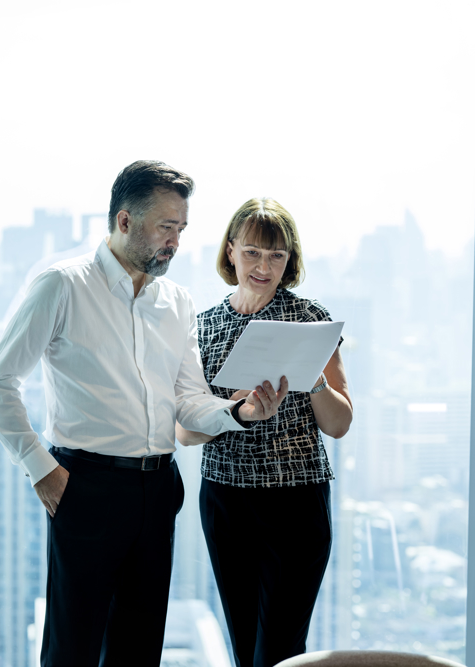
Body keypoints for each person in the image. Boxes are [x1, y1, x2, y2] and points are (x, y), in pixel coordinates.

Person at [0, 161, 289, 666]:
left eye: (182, 229)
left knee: (139, 652)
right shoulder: (63, 286)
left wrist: (241, 411)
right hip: (85, 487)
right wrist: (42, 470)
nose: (176, 241)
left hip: (158, 489)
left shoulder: (176, 301)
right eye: (167, 227)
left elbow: (188, 400)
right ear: (125, 221)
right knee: (72, 650)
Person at [176, 197, 353, 667]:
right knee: (245, 646)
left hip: (297, 499)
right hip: (226, 501)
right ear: (230, 251)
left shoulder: (312, 320)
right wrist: (236, 409)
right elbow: (184, 432)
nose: (263, 265)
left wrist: (311, 376)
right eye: (253, 251)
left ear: (289, 261)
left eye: (276, 255)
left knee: (278, 651)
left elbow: (339, 424)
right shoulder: (203, 326)